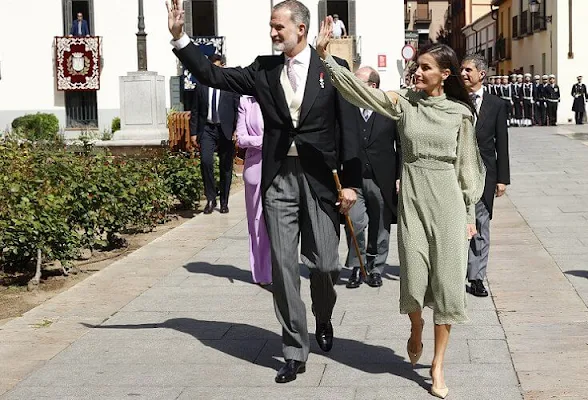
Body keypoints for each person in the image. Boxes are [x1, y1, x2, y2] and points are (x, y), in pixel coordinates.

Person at [168, 0, 360, 384]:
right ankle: (293, 348)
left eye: (278, 27)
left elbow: (350, 128)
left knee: (326, 264)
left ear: (300, 30)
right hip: (278, 179)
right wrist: (180, 39)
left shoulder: (331, 71)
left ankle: (323, 315)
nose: (273, 33)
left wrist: (352, 182)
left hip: (319, 179)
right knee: (283, 266)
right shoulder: (263, 69)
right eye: (271, 27)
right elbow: (212, 75)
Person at [317, 17, 485, 398]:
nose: (417, 71)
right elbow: (361, 94)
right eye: (417, 65)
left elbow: (468, 168)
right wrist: (326, 58)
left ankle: (439, 366)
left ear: (444, 74)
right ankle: (415, 327)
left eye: (425, 67)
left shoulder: (460, 115)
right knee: (414, 279)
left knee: (447, 285)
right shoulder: (403, 102)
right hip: (411, 200)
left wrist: (470, 216)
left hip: (449, 205)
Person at [342, 66, 401, 289]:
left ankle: (376, 267)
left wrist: (399, 176)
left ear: (372, 86)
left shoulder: (389, 108)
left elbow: (401, 144)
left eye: (358, 82)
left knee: (380, 225)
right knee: (354, 222)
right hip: (353, 178)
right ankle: (357, 266)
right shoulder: (347, 106)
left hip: (382, 177)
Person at [461, 54, 510, 298]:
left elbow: (502, 144)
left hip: (485, 175)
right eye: (462, 69)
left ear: (481, 74)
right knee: (458, 226)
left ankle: (477, 277)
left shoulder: (497, 105)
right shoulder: (454, 101)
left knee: (481, 226)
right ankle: (456, 275)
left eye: (468, 70)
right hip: (458, 175)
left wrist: (502, 179)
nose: (463, 74)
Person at [189, 54, 239, 214]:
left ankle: (224, 201)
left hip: (226, 129)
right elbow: (195, 110)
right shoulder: (202, 84)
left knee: (225, 166)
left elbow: (238, 108)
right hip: (207, 129)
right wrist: (193, 132)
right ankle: (211, 199)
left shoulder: (230, 85)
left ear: (223, 66)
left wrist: (238, 129)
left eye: (217, 66)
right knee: (206, 161)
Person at [235, 96, 272, 285]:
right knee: (257, 221)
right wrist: (267, 141)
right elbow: (241, 138)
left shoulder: (279, 94)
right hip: (255, 166)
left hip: (281, 164)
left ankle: (280, 268)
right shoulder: (246, 102)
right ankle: (261, 271)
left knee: (279, 220)